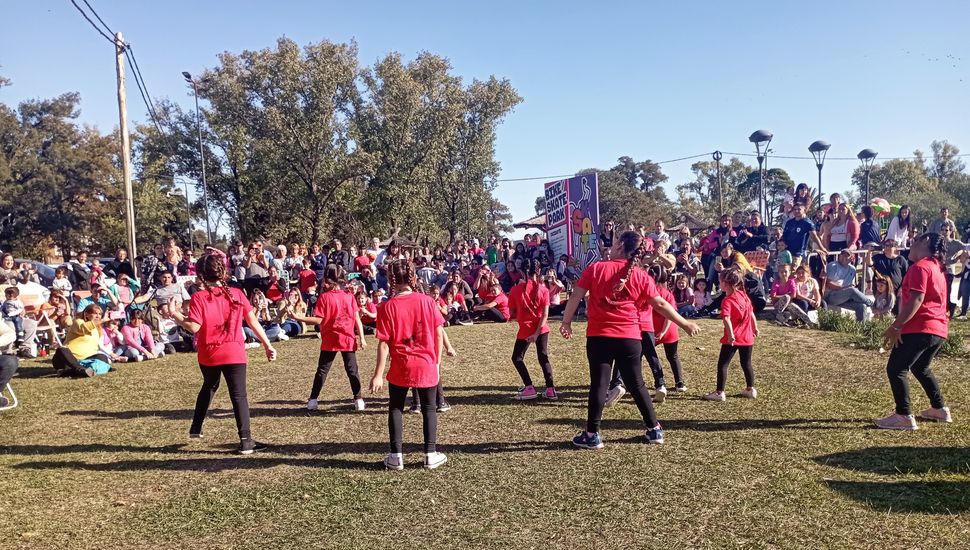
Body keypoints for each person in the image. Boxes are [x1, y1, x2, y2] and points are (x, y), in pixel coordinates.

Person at [559, 231, 700, 450]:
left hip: (599, 336)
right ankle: (654, 430)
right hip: (630, 337)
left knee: (599, 384)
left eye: (615, 242)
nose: (611, 246)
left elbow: (576, 295)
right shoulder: (641, 275)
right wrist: (685, 324)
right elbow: (660, 304)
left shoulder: (596, 269)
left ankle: (592, 435)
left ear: (621, 246)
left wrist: (566, 322)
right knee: (637, 384)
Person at [168, 253, 277, 455]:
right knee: (239, 396)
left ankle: (196, 427)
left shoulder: (199, 297)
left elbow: (193, 327)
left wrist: (176, 315)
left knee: (210, 384)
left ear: (201, 275)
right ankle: (246, 441)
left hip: (209, 353)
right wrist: (267, 344)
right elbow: (253, 322)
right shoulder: (236, 293)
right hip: (234, 351)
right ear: (223, 272)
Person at [369, 259, 450, 470]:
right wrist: (437, 362)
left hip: (401, 364)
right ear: (413, 277)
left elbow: (384, 344)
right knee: (429, 408)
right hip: (426, 363)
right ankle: (430, 454)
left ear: (391, 279)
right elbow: (439, 333)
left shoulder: (387, 307)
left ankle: (396, 456)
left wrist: (377, 374)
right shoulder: (427, 301)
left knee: (396, 407)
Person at [875, 232, 952, 430]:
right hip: (938, 330)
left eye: (915, 241)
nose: (911, 244)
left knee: (896, 369)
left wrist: (896, 326)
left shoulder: (921, 267)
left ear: (925, 243)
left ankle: (903, 416)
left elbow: (917, 299)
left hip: (920, 327)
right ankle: (940, 409)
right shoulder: (937, 268)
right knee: (920, 367)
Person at [292, 265, 367, 412]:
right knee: (352, 371)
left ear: (328, 280)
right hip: (347, 338)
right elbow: (357, 317)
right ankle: (358, 399)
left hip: (330, 339)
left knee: (322, 370)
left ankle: (313, 400)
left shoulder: (325, 297)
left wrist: (299, 317)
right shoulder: (349, 296)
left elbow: (319, 320)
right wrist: (362, 338)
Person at [703, 269, 758, 401]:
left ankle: (719, 392)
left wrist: (731, 335)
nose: (718, 283)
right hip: (747, 337)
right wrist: (755, 328)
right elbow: (751, 313)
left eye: (720, 281)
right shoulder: (743, 295)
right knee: (746, 363)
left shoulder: (727, 300)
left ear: (725, 283)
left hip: (733, 338)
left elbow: (726, 319)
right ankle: (750, 389)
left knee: (723, 364)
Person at [508, 259, 557, 401]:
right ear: (539, 271)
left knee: (517, 357)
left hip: (525, 329)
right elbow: (545, 315)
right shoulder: (544, 290)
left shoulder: (516, 290)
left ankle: (529, 387)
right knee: (543, 357)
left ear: (522, 272)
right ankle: (550, 389)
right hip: (541, 328)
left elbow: (512, 312)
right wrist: (537, 333)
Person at [51, 305, 117, 377]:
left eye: (100, 314)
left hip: (85, 360)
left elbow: (100, 346)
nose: (98, 316)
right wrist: (102, 320)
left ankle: (69, 372)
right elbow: (84, 329)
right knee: (62, 349)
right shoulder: (78, 322)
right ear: (86, 314)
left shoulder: (98, 329)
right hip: (67, 359)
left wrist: (112, 354)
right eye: (95, 313)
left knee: (102, 357)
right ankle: (79, 369)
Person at [650, 266, 687, 392]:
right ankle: (679, 383)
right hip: (669, 330)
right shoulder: (668, 294)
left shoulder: (650, 292)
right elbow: (670, 315)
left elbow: (667, 316)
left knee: (647, 355)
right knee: (673, 356)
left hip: (655, 330)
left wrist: (662, 332)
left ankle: (660, 383)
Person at [824, 250, 874, 321]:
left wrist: (849, 288)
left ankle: (861, 329)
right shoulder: (833, 265)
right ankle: (872, 305)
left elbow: (851, 285)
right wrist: (844, 288)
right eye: (842, 255)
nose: (843, 257)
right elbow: (828, 283)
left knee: (862, 306)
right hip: (831, 296)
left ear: (851, 258)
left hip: (845, 297)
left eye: (846, 255)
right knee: (852, 290)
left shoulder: (852, 269)